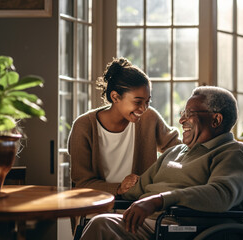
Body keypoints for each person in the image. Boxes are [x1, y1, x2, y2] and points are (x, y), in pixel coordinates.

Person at [80, 86, 243, 240]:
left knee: (102, 225)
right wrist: (103, 196)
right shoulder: (175, 152)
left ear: (216, 120)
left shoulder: (233, 152)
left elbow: (220, 195)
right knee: (97, 219)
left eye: (190, 114)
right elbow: (135, 191)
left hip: (178, 227)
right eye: (182, 114)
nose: (181, 120)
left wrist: (159, 200)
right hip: (151, 223)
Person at [68, 57, 181, 196]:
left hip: (140, 207)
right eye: (138, 102)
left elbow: (178, 150)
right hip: (97, 206)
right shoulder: (83, 126)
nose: (143, 108)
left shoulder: (149, 118)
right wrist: (119, 188)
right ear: (115, 97)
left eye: (147, 101)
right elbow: (82, 184)